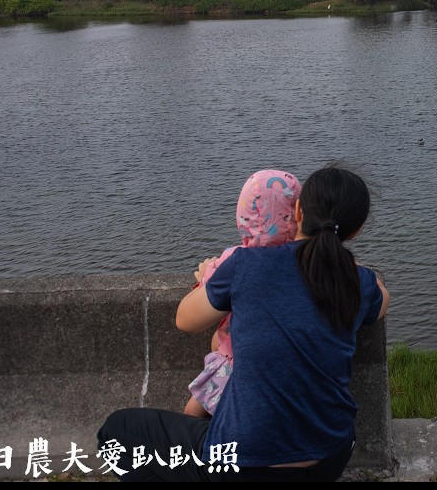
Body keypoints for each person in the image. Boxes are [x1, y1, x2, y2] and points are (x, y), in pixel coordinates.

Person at [97, 165, 389, 482]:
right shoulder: (359, 282)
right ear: (356, 231)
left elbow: (185, 319)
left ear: (299, 211)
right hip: (330, 456)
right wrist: (351, 265)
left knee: (116, 432)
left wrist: (205, 280)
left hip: (245, 466)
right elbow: (382, 300)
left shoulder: (246, 264)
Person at [183, 168, 302, 419]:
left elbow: (188, 317)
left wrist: (206, 271)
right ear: (298, 213)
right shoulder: (307, 260)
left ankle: (200, 454)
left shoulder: (234, 261)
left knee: (193, 412)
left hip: (236, 363)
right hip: (289, 371)